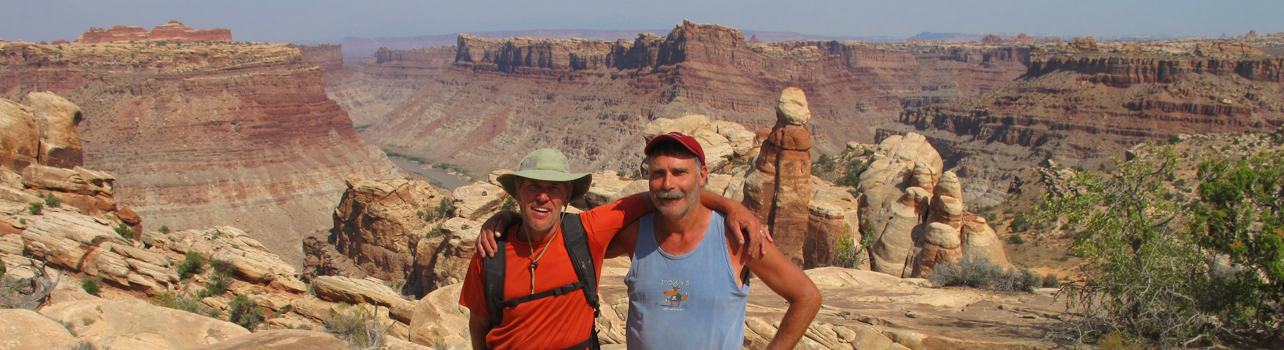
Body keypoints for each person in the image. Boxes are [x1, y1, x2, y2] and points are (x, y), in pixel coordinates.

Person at [459, 148, 767, 350]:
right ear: (517, 192)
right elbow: (479, 327)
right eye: (532, 187)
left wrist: (730, 206)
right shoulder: (491, 254)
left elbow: (667, 195)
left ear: (567, 196)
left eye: (553, 188)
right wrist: (504, 219)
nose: (542, 197)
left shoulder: (589, 231)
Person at [608, 133, 820, 350]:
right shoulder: (635, 234)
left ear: (702, 176)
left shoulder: (736, 237)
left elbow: (807, 297)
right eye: (658, 173)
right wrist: (728, 204)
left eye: (679, 172)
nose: (668, 183)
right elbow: (583, 241)